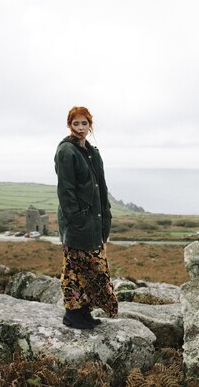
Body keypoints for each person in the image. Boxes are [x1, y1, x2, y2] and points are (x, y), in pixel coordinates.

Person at [54, 106, 118, 329]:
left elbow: (100, 186)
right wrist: (78, 219)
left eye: (84, 123)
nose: (81, 128)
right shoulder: (66, 152)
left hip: (94, 222)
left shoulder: (92, 151)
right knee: (74, 270)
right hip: (79, 225)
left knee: (91, 270)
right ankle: (72, 315)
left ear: (90, 125)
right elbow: (66, 191)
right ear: (69, 125)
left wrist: (104, 216)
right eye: (76, 124)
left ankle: (84, 313)